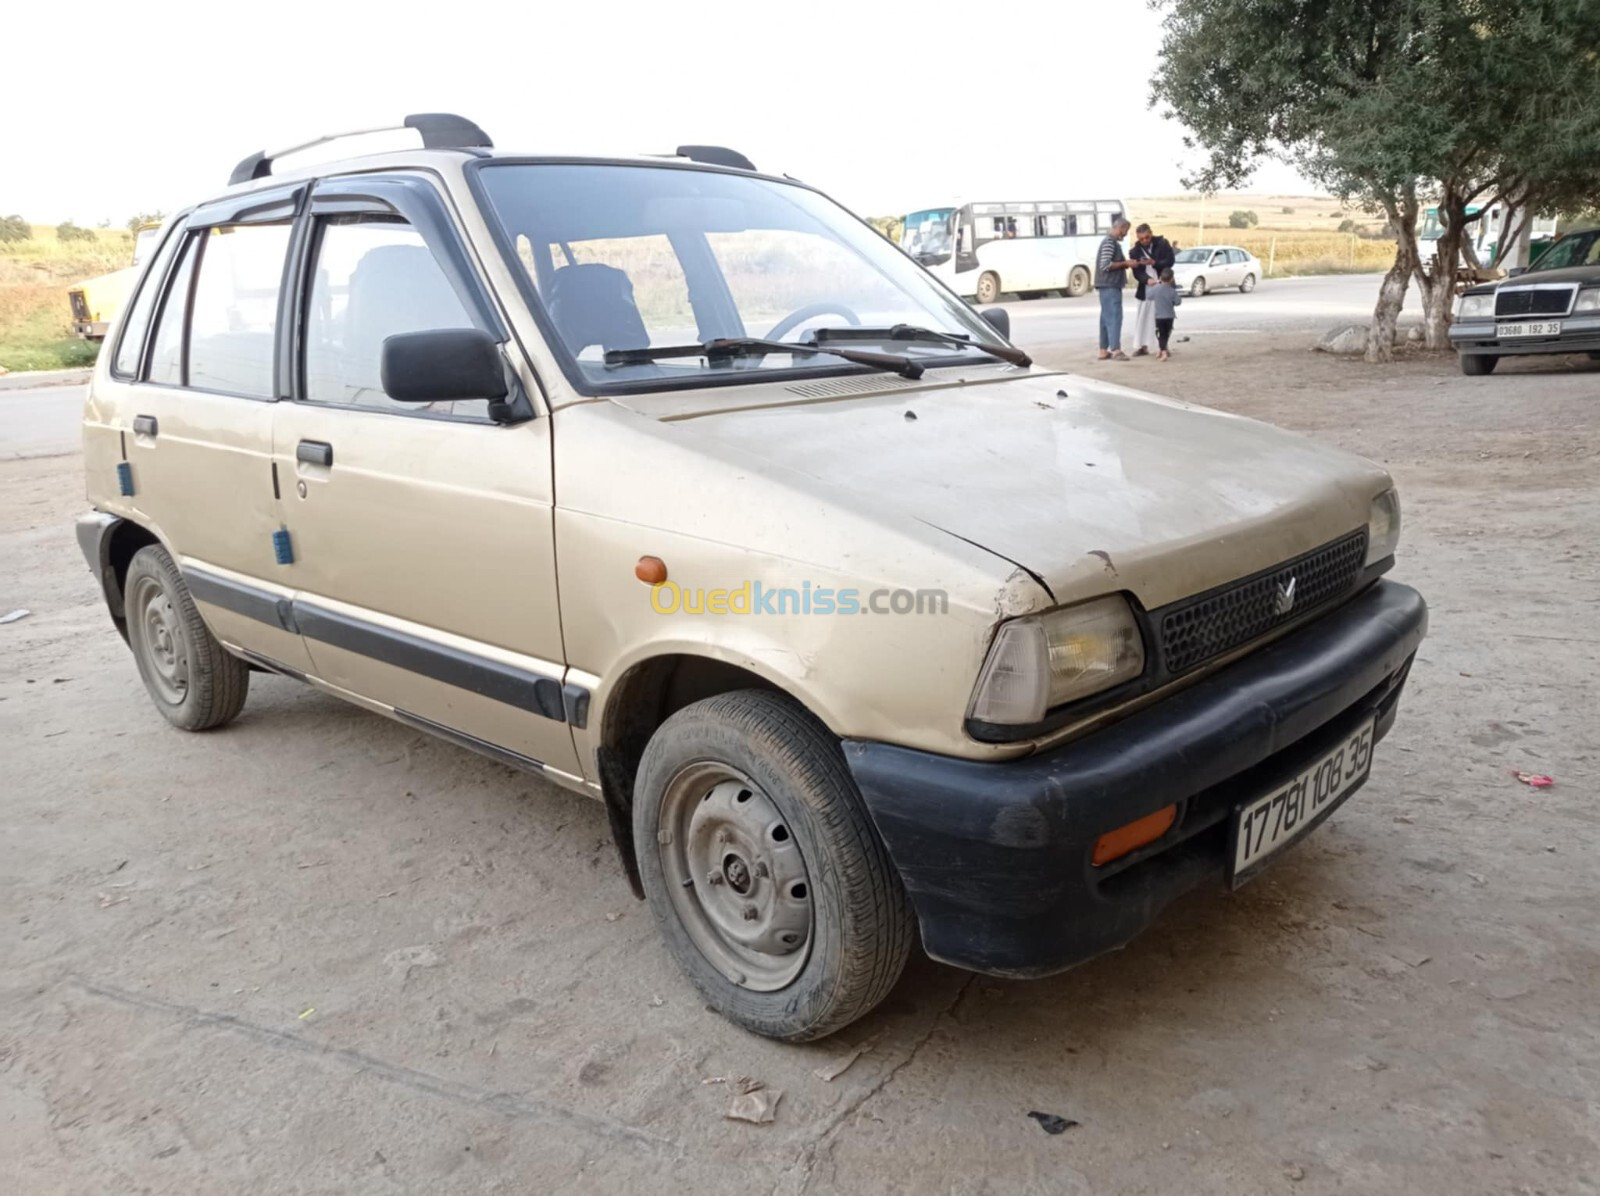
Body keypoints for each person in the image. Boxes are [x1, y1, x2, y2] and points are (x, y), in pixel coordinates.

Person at [1129, 222, 1176, 356]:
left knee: (1164, 318)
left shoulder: (1162, 243)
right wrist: (1146, 280)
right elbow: (1137, 272)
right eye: (1141, 239)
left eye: (1147, 237)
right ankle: (1142, 346)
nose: (1145, 241)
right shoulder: (1135, 251)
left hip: (1164, 284)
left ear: (1151, 233)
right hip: (1146, 288)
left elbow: (1170, 261)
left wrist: (1154, 263)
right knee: (1143, 316)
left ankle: (1163, 346)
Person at [1094, 217, 1137, 360]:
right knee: (1114, 316)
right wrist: (1126, 264)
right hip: (1110, 285)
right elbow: (1105, 265)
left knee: (1106, 317)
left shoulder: (1109, 242)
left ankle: (1103, 349)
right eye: (1125, 231)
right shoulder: (1109, 243)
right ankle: (1116, 349)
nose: (1125, 235)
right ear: (1120, 228)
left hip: (1106, 285)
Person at [1149, 268, 1183, 361]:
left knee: (1160, 334)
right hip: (1169, 316)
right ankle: (1163, 350)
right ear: (1172, 279)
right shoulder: (1172, 291)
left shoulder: (1156, 289)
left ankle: (1162, 350)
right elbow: (1178, 302)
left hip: (1159, 316)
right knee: (1166, 334)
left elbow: (1149, 296)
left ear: (1160, 278)